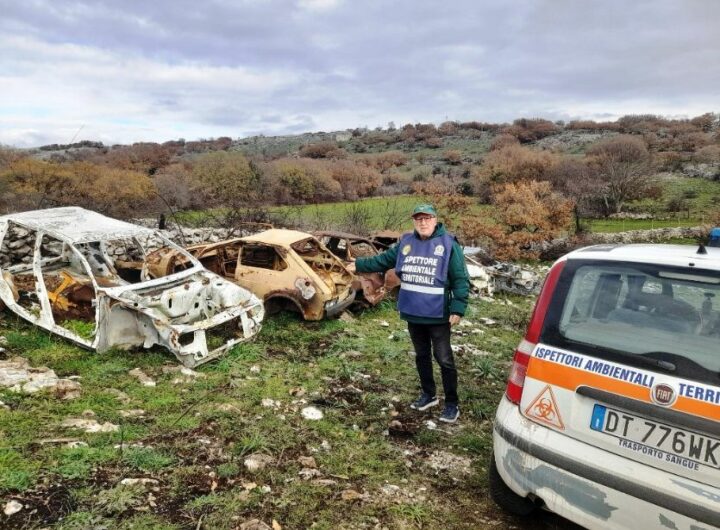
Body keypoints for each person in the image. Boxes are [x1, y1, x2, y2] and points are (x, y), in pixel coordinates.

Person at [347, 204, 470, 423]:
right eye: (419, 219)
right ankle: (428, 394)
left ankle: (452, 404)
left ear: (435, 220)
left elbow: (460, 279)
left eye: (427, 218)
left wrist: (458, 308)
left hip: (438, 314)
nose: (423, 223)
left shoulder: (449, 245)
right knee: (421, 355)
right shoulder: (405, 243)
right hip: (413, 311)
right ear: (414, 221)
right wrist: (357, 264)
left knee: (444, 359)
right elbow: (381, 261)